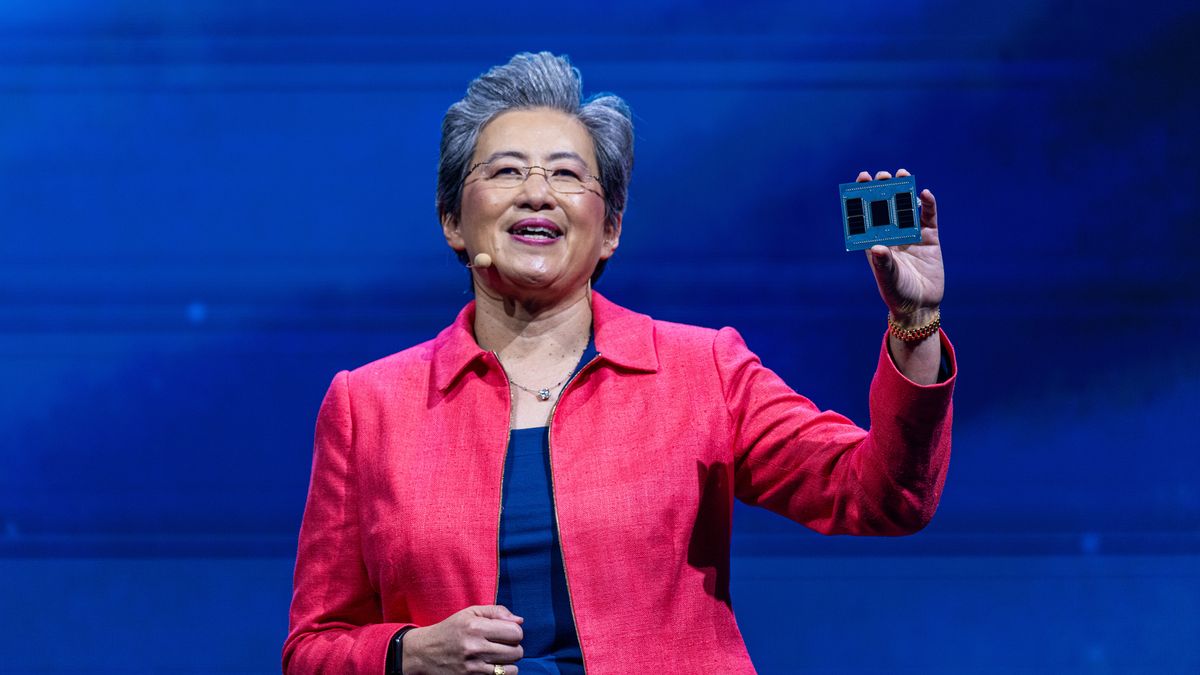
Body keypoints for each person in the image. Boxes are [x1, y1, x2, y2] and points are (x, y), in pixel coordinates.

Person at [283, 52, 955, 675]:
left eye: (568, 174)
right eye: (507, 170)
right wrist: (403, 651)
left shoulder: (704, 371)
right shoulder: (367, 405)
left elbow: (884, 497)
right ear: (453, 220)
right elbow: (311, 647)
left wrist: (914, 323)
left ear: (610, 229)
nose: (537, 193)